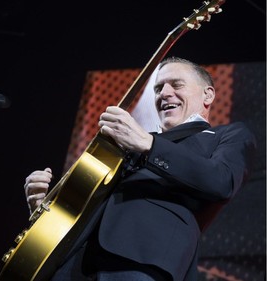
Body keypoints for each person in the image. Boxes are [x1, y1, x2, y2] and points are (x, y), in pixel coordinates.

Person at [23, 57, 256, 281]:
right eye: (158, 88)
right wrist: (43, 209)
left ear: (208, 94)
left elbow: (222, 181)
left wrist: (149, 145)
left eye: (176, 85)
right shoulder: (132, 141)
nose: (164, 93)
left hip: (142, 259)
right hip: (73, 263)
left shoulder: (226, 136)